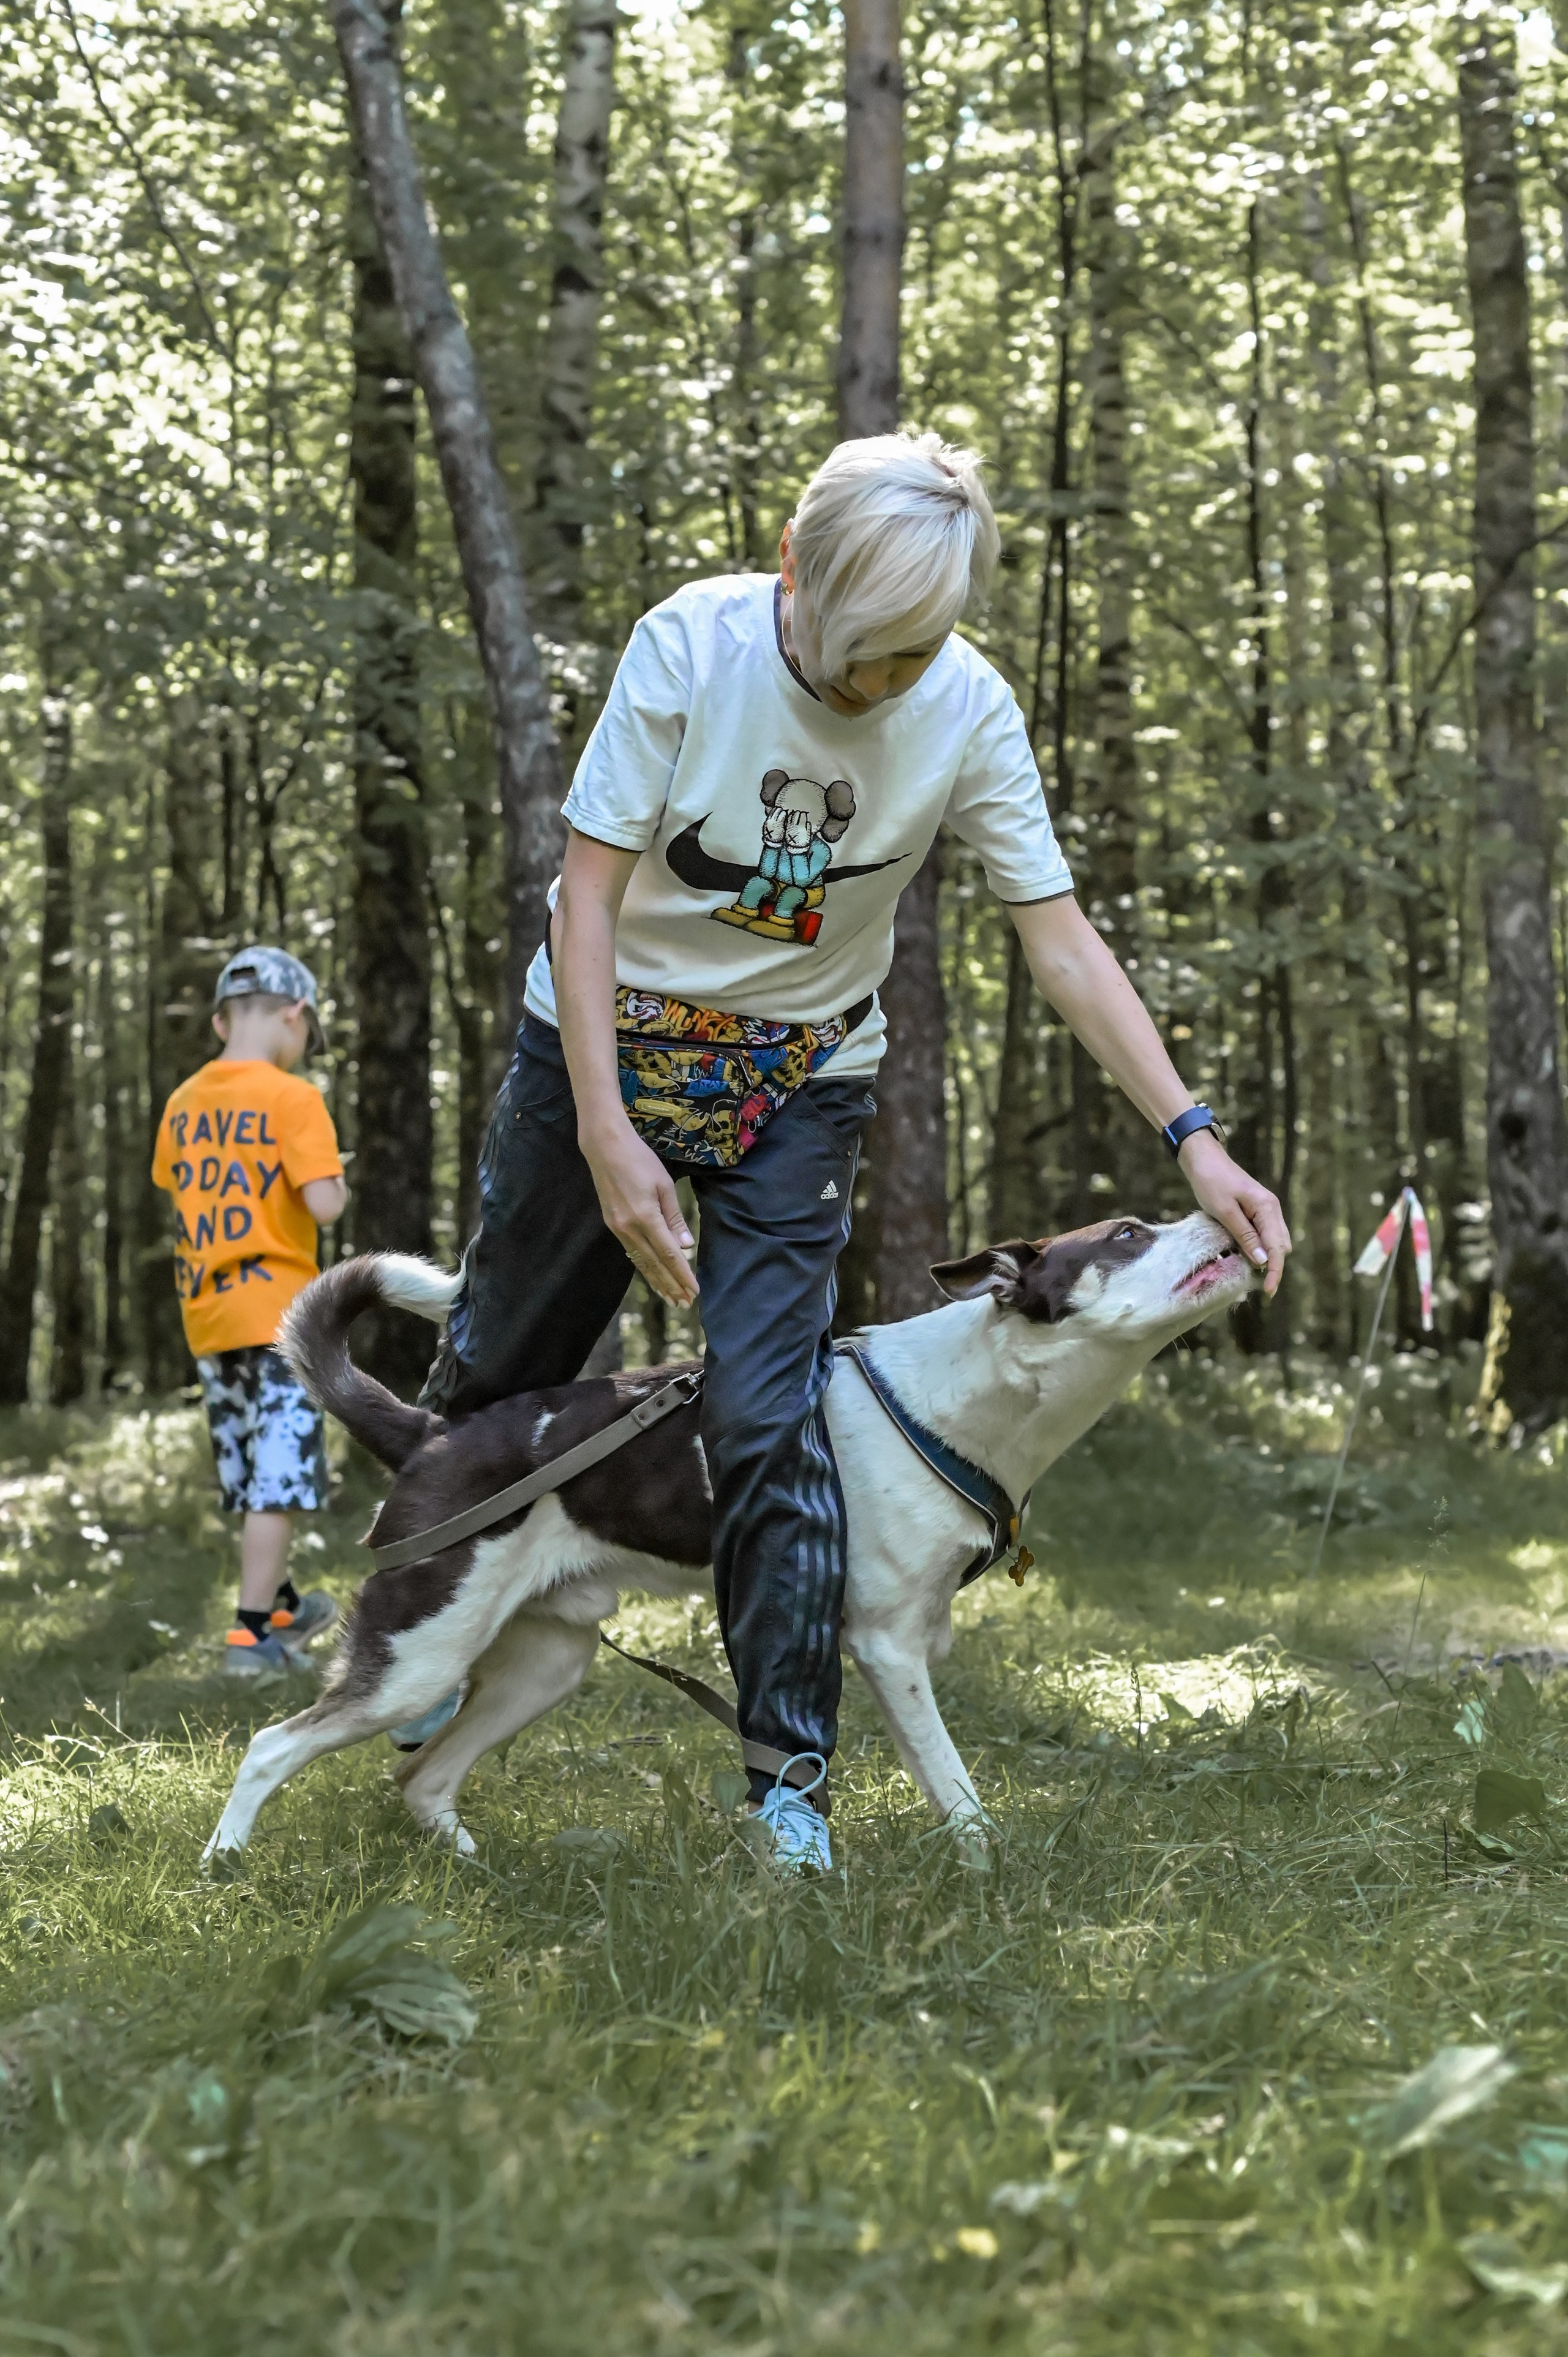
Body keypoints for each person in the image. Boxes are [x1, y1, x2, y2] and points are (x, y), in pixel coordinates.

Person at [420, 432, 1290, 1868]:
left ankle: (785, 1791)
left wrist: (1187, 1132)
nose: (884, 684)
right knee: (503, 1366)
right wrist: (602, 1122)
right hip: (601, 1040)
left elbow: (1056, 939)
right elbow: (584, 897)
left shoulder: (965, 707)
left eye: (916, 652)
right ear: (791, 572)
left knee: (772, 1414)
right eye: (861, 653)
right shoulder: (685, 648)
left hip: (800, 1074)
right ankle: (424, 1644)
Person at [151, 948, 348, 1680]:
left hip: (209, 1316)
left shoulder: (182, 1102)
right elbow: (324, 1202)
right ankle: (249, 1637)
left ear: (219, 1019)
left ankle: (285, 1605)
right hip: (282, 1319)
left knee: (249, 1473)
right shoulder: (293, 1099)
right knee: (280, 1480)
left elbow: (179, 1187)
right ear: (294, 1016)